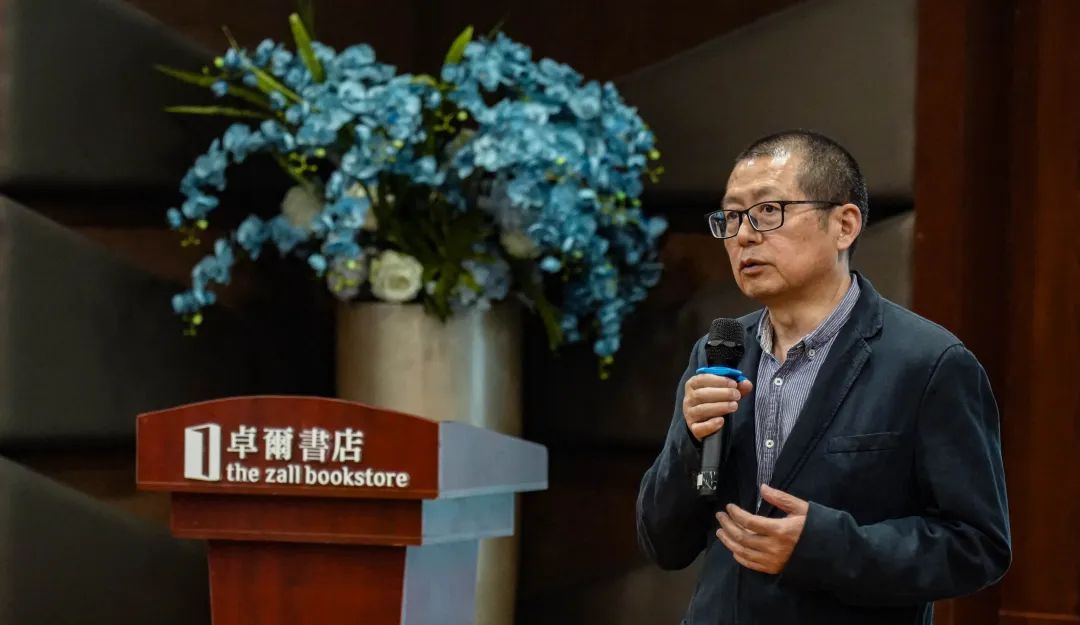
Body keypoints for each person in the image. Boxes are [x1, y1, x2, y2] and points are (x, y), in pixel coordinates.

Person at [636, 130, 1011, 624]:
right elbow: (662, 543)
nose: (743, 235)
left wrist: (826, 546)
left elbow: (977, 546)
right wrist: (690, 442)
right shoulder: (718, 352)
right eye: (731, 217)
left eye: (768, 211)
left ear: (844, 225)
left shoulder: (929, 363)